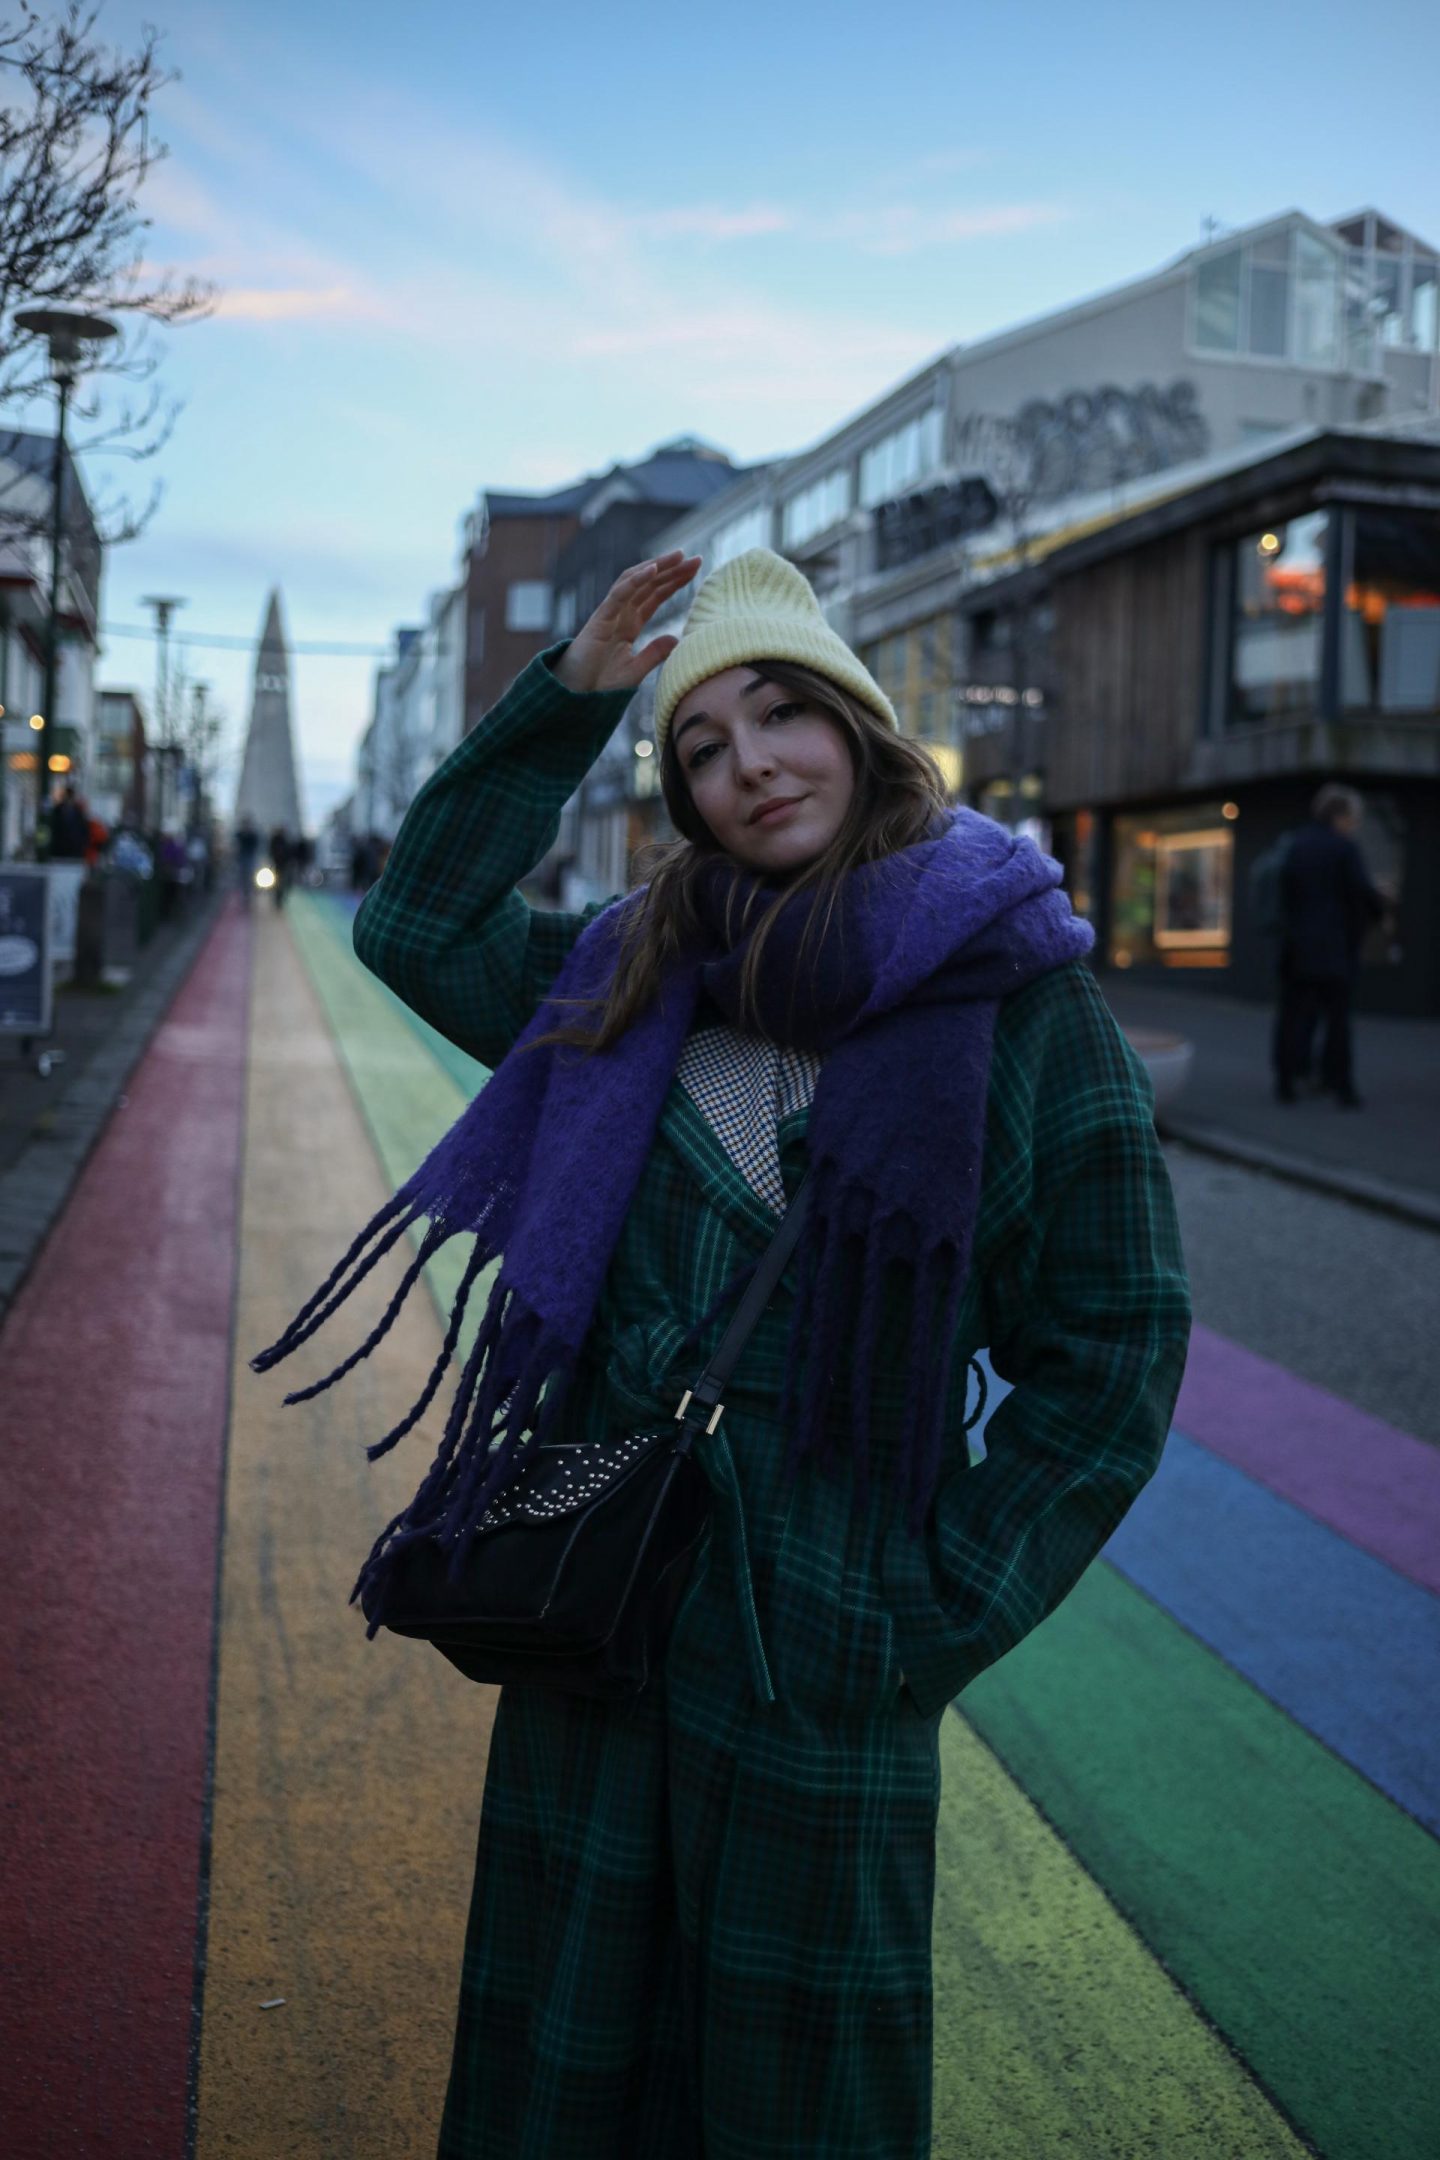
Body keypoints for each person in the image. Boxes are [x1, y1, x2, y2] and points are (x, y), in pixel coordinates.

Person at [276, 550, 1191, 2158]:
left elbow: (1114, 1347)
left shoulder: (1026, 1006)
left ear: (863, 731)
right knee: (566, 2060)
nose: (748, 763)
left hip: (821, 1639)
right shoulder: (631, 969)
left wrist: (923, 1617)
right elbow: (417, 923)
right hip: (599, 1603)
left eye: (782, 715)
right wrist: (572, 696)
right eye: (703, 746)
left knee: (794, 2087)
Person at [1273, 782, 1387, 1108]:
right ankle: (1341, 1087)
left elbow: (1285, 895)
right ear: (1340, 815)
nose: (1355, 824)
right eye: (1353, 817)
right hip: (1335, 949)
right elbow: (1362, 894)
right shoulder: (1343, 848)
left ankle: (1286, 1082)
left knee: (1291, 1017)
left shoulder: (1296, 844)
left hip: (1296, 947)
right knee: (1337, 1021)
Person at [46, 784, 90, 861]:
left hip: (73, 852)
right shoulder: (58, 811)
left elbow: (84, 831)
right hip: (59, 851)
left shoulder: (77, 812)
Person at [234, 814, 261, 908]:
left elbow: (256, 846)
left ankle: (248, 897)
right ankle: (243, 897)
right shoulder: (239, 834)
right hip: (241, 860)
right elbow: (235, 845)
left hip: (250, 859)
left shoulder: (253, 835)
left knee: (250, 879)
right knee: (241, 879)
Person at [267, 824, 291, 910]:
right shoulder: (275, 840)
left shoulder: (285, 840)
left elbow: (289, 852)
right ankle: (277, 899)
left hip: (284, 865)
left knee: (283, 883)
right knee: (277, 883)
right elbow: (271, 851)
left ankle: (279, 899)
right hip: (277, 864)